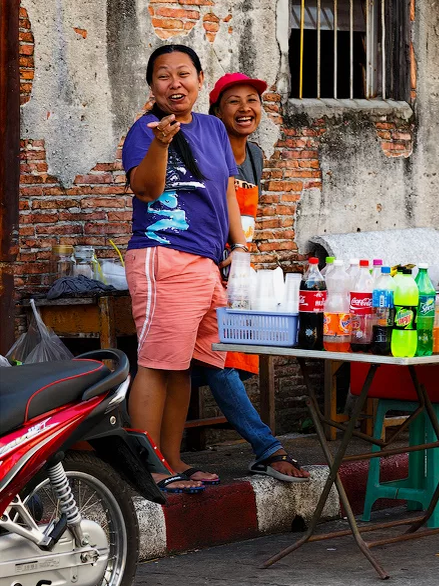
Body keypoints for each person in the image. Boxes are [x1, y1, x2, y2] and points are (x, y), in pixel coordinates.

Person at [123, 45, 248, 493]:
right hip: (165, 257)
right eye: (163, 76)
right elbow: (146, 190)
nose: (174, 83)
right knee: (156, 365)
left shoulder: (214, 127)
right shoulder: (145, 130)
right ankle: (147, 467)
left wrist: (241, 245)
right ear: (152, 86)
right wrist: (161, 142)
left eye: (183, 74)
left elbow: (226, 190)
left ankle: (172, 459)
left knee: (184, 366)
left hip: (205, 263)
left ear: (199, 79)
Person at [189, 72, 309, 482]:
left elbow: (245, 217)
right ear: (216, 111)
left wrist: (242, 257)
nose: (245, 108)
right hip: (206, 263)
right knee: (221, 359)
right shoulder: (206, 150)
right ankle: (266, 447)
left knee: (228, 357)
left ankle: (138, 420)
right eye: (233, 101)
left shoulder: (255, 155)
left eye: (252, 100)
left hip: (238, 265)